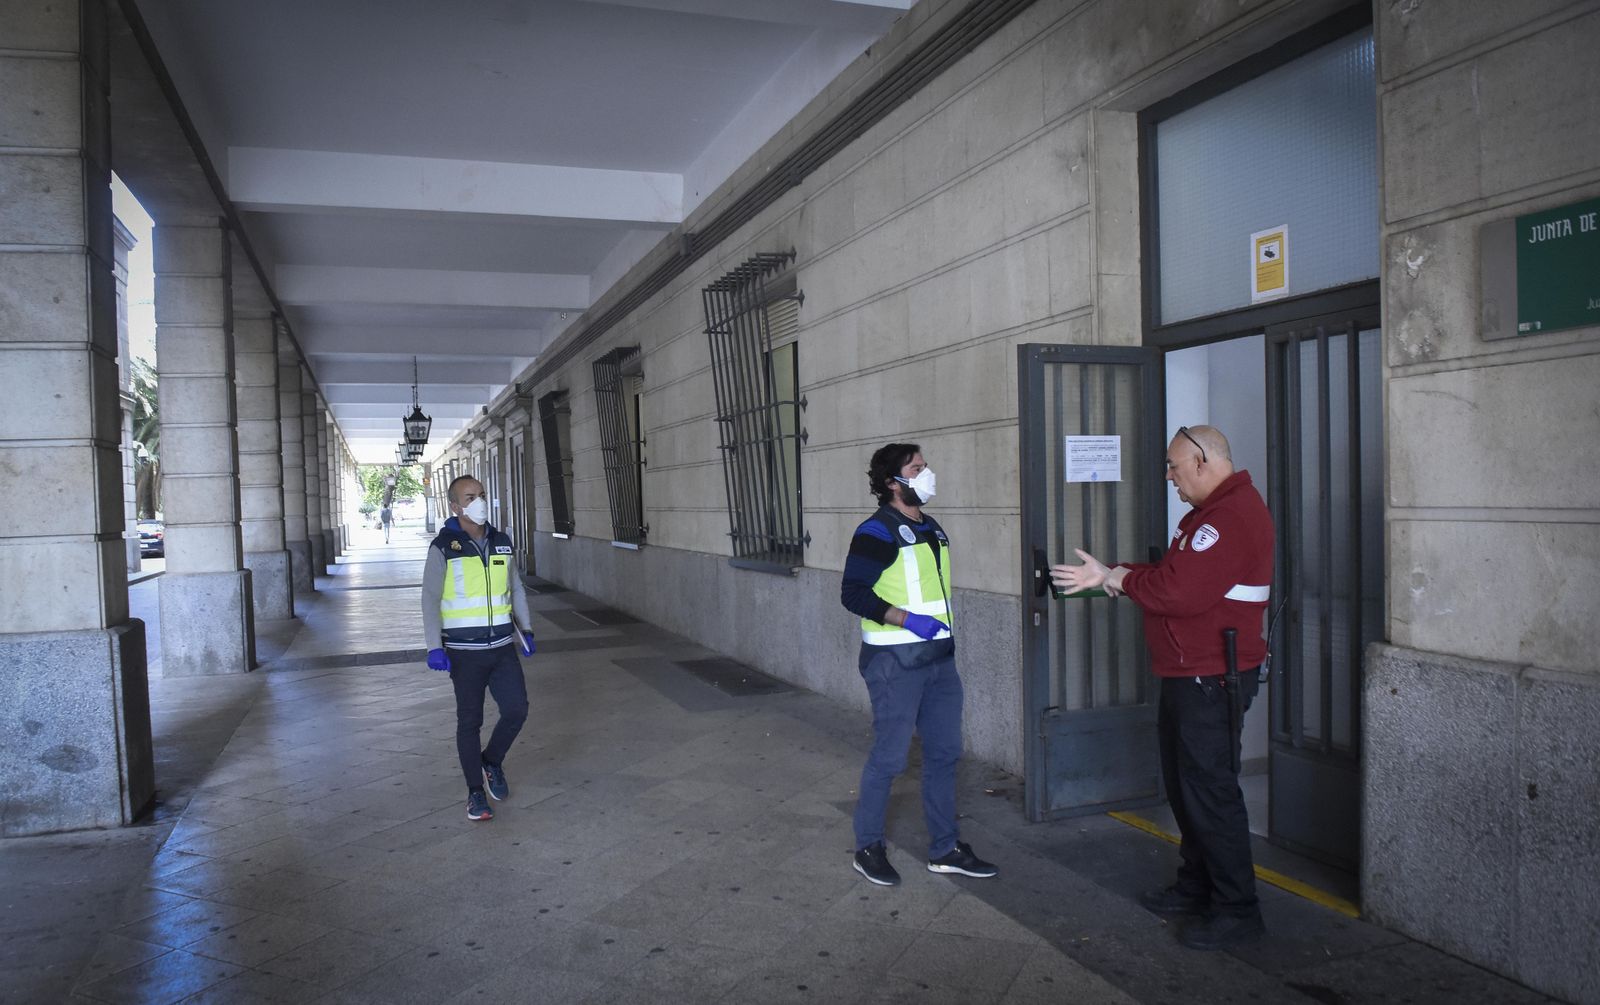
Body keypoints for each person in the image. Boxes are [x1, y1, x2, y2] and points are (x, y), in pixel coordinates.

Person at [1052, 424, 1273, 950]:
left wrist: (1119, 579)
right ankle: (1197, 886)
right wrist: (1115, 572)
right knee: (1187, 788)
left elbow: (1179, 592)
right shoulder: (1208, 515)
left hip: (1210, 679)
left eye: (1173, 466)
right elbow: (1173, 574)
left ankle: (1237, 910)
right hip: (1191, 674)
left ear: (1202, 461)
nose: (1169, 476)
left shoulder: (1229, 517)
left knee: (1210, 793)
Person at [839, 443, 997, 886]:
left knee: (944, 753)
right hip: (895, 663)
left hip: (939, 661)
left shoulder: (931, 527)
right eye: (916, 468)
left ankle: (945, 848)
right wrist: (908, 620)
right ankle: (868, 847)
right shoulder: (876, 531)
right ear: (893, 482)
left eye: (925, 466)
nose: (927, 474)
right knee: (890, 758)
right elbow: (853, 593)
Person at [421, 475, 536, 822]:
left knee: (516, 709)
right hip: (463, 651)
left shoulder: (502, 541)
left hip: (501, 647)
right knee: (470, 721)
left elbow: (515, 587)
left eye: (481, 494)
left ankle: (491, 761)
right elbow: (430, 597)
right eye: (470, 497)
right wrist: (434, 646)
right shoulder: (444, 546)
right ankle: (475, 793)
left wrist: (526, 628)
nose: (479, 502)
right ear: (455, 506)